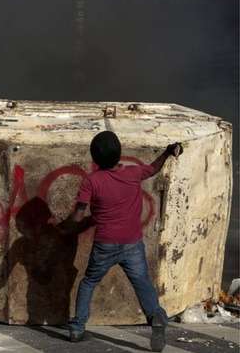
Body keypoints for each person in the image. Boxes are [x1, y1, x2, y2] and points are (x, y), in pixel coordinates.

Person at [57, 131, 182, 352]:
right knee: (142, 283)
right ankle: (155, 316)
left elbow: (78, 214)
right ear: (119, 153)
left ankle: (77, 328)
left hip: (105, 244)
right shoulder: (133, 173)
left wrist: (66, 226)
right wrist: (167, 152)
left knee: (88, 282)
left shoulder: (91, 181)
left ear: (94, 157)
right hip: (132, 243)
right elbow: (154, 168)